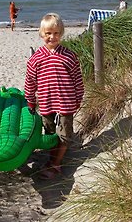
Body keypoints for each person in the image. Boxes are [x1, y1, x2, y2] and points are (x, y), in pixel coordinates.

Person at [25, 13, 84, 180]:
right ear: (42, 34)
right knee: (50, 133)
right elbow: (30, 82)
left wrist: (78, 97)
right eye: (48, 33)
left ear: (61, 33)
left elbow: (77, 79)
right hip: (46, 100)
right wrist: (30, 100)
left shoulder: (69, 55)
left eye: (56, 33)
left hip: (66, 100)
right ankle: (52, 158)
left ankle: (56, 163)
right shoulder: (36, 59)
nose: (52, 37)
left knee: (65, 133)